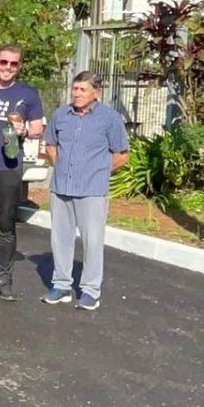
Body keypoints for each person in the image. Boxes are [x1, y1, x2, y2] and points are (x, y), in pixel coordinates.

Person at [42, 71, 129, 311]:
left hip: (92, 190)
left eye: (82, 90)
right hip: (61, 188)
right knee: (60, 239)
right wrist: (59, 166)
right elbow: (50, 145)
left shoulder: (110, 119)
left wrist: (98, 172)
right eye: (75, 89)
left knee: (92, 241)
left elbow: (121, 154)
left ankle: (91, 290)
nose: (76, 94)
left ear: (96, 93)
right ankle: (61, 285)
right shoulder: (61, 115)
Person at [0, 44, 46, 300]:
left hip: (9, 167)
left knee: (5, 225)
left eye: (13, 64)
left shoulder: (28, 93)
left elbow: (38, 128)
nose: (7, 68)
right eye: (3, 62)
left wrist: (24, 131)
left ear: (19, 66)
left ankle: (5, 279)